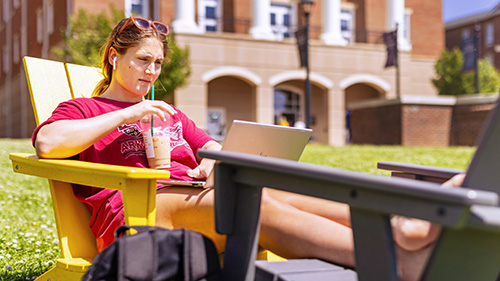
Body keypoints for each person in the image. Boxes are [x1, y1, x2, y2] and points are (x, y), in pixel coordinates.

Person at [33, 16, 459, 281]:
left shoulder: (169, 113)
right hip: (138, 211)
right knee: (250, 207)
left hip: (193, 196)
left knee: (279, 194)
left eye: (158, 63)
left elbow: (214, 148)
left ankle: (403, 225)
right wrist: (126, 114)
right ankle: (396, 264)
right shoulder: (84, 108)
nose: (152, 70)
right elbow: (48, 143)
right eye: (143, 60)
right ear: (113, 57)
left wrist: (216, 168)